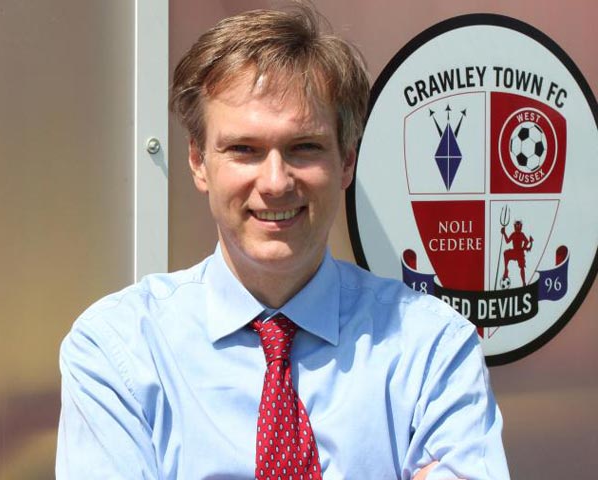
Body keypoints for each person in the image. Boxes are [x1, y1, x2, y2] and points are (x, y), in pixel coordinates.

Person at [56, 4, 509, 479]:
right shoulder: (119, 349)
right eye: (244, 149)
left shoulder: (432, 347)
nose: (275, 182)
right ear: (197, 161)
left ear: (347, 161)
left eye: (304, 147)